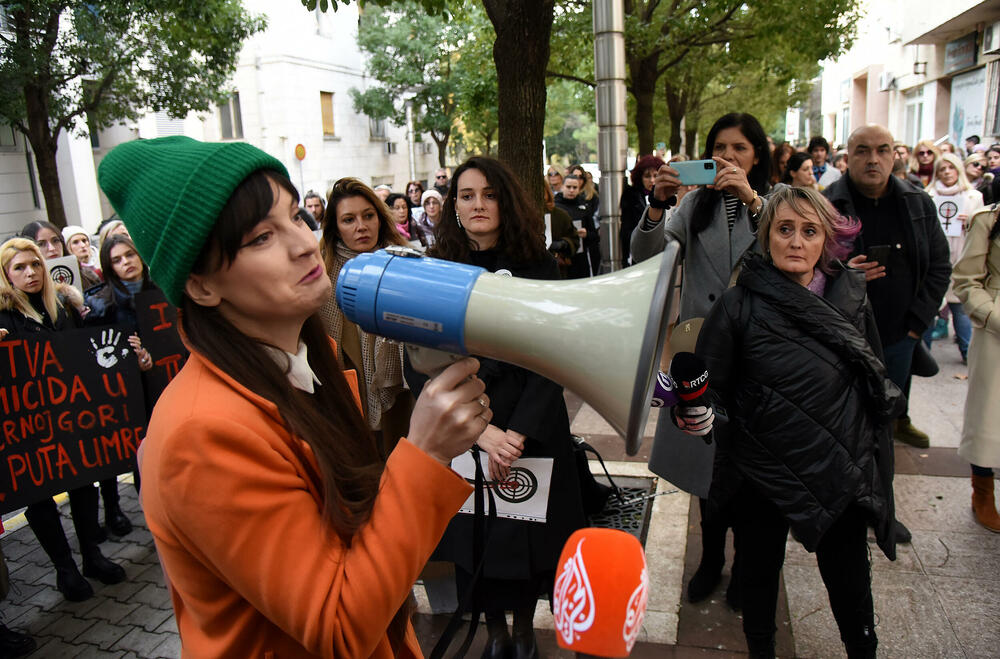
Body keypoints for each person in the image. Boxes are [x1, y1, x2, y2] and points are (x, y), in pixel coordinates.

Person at [97, 135, 490, 657]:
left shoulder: (307, 358)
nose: (305, 243)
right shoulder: (200, 437)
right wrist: (425, 456)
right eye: (261, 237)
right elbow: (338, 625)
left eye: (294, 217)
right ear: (201, 286)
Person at [697, 186, 900, 658]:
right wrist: (701, 413)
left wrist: (871, 467)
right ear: (766, 235)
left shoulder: (852, 298)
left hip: (838, 470)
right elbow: (711, 387)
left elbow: (874, 378)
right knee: (758, 582)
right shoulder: (737, 304)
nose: (795, 241)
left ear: (826, 240)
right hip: (761, 473)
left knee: (852, 591)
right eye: (784, 229)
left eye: (809, 231)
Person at [417, 155, 586, 659]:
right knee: (477, 535)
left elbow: (554, 355)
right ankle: (493, 632)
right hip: (465, 424)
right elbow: (422, 362)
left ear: (505, 201)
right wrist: (480, 432)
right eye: (466, 195)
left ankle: (524, 629)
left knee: (529, 535)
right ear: (454, 206)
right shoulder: (435, 267)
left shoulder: (537, 264)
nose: (478, 204)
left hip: (532, 424)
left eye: (488, 194)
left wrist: (518, 432)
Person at [631, 112, 772, 606]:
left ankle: (748, 571)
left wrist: (752, 200)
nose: (728, 158)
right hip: (702, 351)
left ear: (758, 156)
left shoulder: (775, 204)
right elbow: (646, 256)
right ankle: (711, 560)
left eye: (740, 149)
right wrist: (657, 203)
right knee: (708, 464)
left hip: (758, 355)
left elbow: (786, 250)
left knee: (753, 467)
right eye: (720, 148)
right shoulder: (694, 208)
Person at [0, 238, 127, 602]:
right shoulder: (3, 316)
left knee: (83, 484)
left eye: (35, 265)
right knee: (39, 498)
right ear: (7, 275)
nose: (30, 273)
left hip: (70, 416)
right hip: (28, 424)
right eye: (20, 268)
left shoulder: (62, 308)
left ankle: (91, 555)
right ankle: (64, 569)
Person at [825, 125, 951, 456]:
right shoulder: (825, 205)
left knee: (888, 410)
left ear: (894, 155)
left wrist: (917, 324)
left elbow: (939, 266)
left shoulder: (918, 202)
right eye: (862, 151)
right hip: (845, 334)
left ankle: (889, 446)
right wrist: (845, 273)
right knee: (846, 419)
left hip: (901, 332)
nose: (873, 159)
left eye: (882, 150)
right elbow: (807, 268)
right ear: (847, 157)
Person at [320, 178, 415, 450]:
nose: (361, 226)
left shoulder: (407, 263)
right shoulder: (321, 276)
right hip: (344, 401)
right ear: (336, 228)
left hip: (401, 397)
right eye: (348, 220)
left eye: (368, 216)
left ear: (380, 218)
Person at [84, 234, 158, 535]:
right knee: (140, 457)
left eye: (129, 255)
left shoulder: (162, 291)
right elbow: (94, 356)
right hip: (127, 395)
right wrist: (130, 360)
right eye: (117, 259)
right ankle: (152, 518)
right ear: (109, 266)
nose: (126, 262)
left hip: (164, 384)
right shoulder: (100, 305)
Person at [952, 206, 1000, 532]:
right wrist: (992, 317)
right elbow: (966, 280)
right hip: (996, 332)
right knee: (988, 415)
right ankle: (982, 490)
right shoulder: (988, 219)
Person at [924, 153, 983, 363]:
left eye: (951, 167)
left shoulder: (973, 197)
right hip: (936, 259)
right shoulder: (928, 195)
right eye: (942, 168)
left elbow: (984, 231)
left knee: (960, 307)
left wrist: (972, 222)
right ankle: (924, 354)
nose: (947, 172)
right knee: (930, 305)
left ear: (958, 169)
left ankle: (968, 352)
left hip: (961, 258)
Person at [619, 155, 665, 267]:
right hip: (639, 254)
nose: (652, 180)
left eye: (656, 175)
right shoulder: (630, 196)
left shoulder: (668, 196)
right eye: (647, 176)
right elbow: (626, 230)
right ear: (640, 177)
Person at [555, 174, 600, 278]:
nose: (571, 190)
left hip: (581, 259)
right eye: (568, 187)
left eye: (575, 187)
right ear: (562, 187)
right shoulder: (556, 207)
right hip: (562, 258)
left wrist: (586, 234)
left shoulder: (584, 207)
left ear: (579, 188)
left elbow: (594, 235)